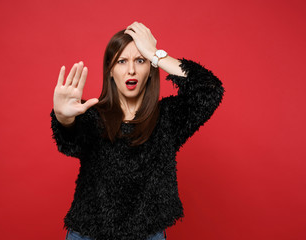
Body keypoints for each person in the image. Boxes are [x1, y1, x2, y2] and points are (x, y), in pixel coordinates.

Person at [51, 22, 225, 240]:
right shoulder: (91, 115)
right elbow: (69, 142)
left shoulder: (168, 118)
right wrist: (64, 118)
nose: (131, 69)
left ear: (151, 69)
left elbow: (210, 89)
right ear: (111, 71)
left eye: (140, 60)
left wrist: (155, 54)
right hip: (88, 234)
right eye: (122, 61)